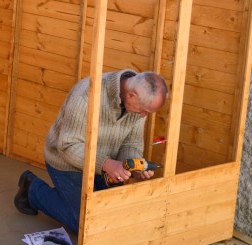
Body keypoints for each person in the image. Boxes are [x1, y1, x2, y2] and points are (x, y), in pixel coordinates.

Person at [14, 69, 167, 235]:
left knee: (110, 220)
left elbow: (132, 142)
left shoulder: (138, 103)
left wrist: (132, 165)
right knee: (84, 223)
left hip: (105, 167)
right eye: (143, 110)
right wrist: (106, 164)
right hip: (67, 162)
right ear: (131, 95)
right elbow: (68, 146)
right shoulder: (86, 95)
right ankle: (33, 190)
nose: (144, 115)